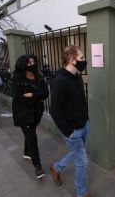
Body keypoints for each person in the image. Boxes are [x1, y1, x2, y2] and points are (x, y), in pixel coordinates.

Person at [49, 45, 92, 197]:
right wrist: (69, 132)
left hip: (84, 125)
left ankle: (56, 167)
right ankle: (82, 194)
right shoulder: (60, 81)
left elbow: (79, 100)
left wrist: (86, 119)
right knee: (82, 162)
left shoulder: (77, 76)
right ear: (71, 59)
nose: (84, 61)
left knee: (78, 154)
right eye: (81, 58)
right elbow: (54, 110)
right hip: (72, 131)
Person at [12, 54, 48, 179]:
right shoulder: (17, 78)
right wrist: (37, 96)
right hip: (23, 113)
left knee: (30, 132)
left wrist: (32, 95)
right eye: (29, 63)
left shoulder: (39, 76)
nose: (32, 64)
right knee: (32, 137)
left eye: (33, 62)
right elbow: (19, 98)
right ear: (22, 65)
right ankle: (37, 165)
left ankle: (27, 152)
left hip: (36, 112)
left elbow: (45, 94)